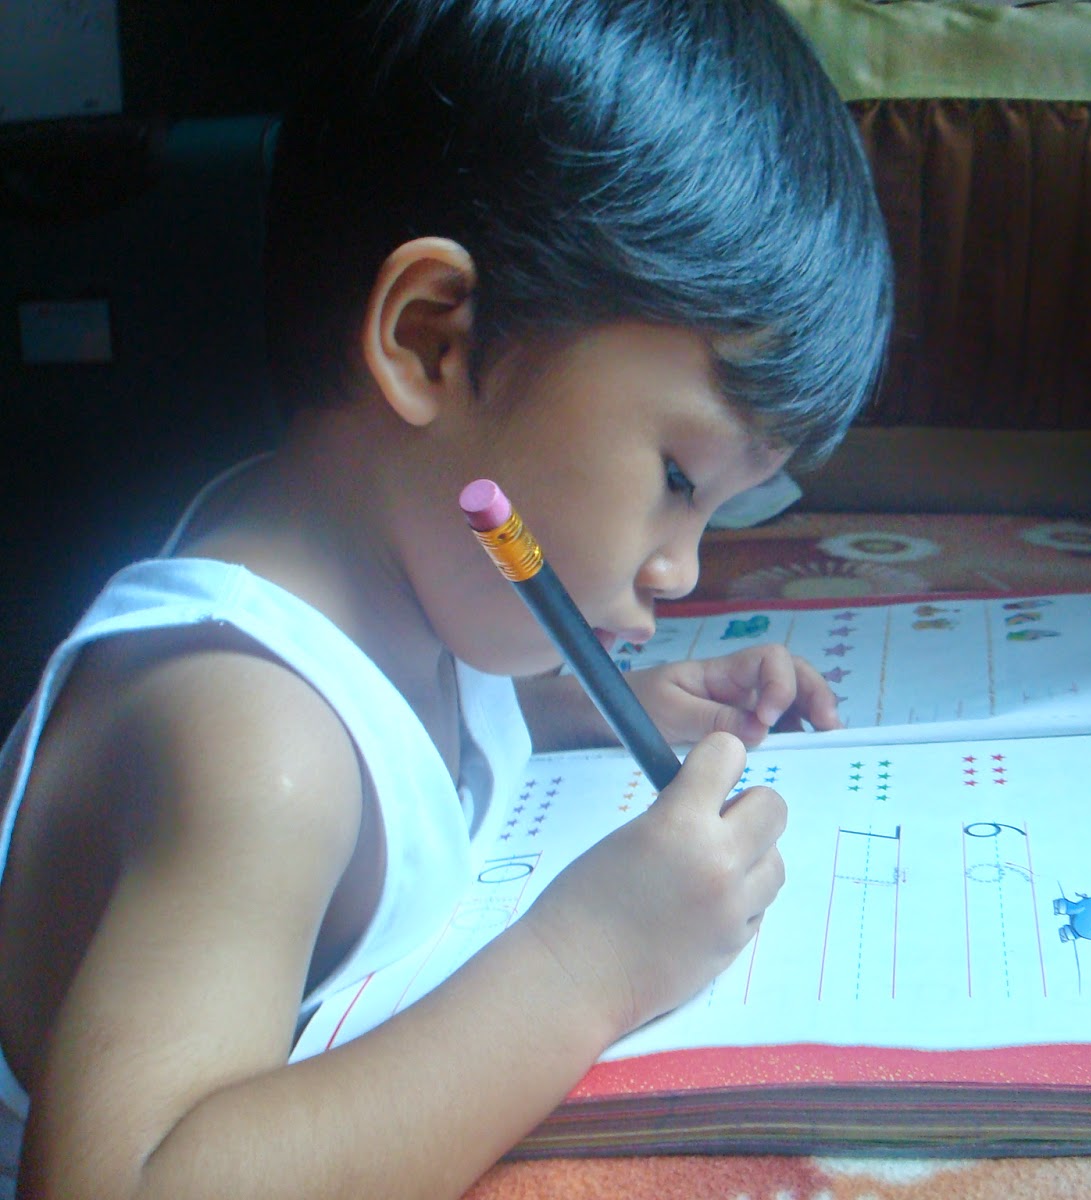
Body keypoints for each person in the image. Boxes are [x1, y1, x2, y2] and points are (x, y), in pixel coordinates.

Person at [0, 0, 891, 1195]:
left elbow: (407, 739)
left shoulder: (404, 568)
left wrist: (606, 703)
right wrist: (591, 962)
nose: (680, 569)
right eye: (679, 479)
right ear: (432, 341)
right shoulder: (253, 738)